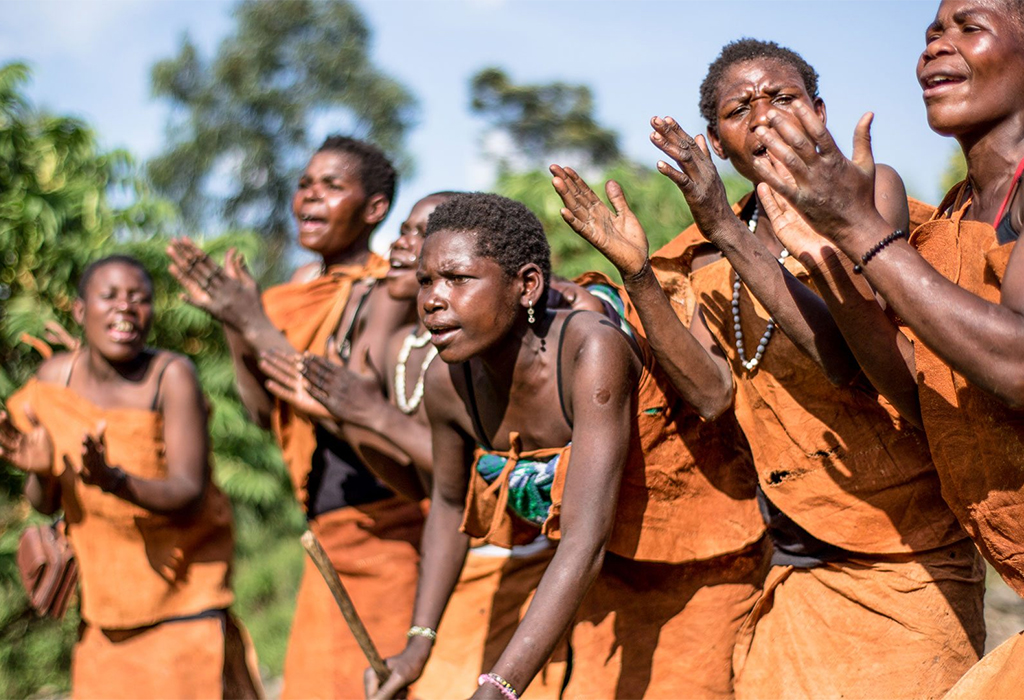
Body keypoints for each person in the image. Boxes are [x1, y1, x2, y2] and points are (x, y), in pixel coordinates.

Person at [556, 39, 984, 700]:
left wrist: (726, 229)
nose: (762, 115)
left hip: (905, 555)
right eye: (739, 109)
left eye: (781, 97)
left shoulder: (869, 194)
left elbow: (852, 360)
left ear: (818, 111)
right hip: (793, 560)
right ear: (716, 144)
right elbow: (711, 392)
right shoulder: (706, 253)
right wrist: (638, 275)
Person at [741, 2, 1024, 696]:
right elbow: (912, 390)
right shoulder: (957, 210)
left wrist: (861, 226)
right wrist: (837, 273)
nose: (935, 47)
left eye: (967, 26)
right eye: (930, 33)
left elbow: (1019, 364)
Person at [262, 192, 572, 699]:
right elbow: (437, 495)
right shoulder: (422, 360)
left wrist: (369, 413)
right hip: (459, 570)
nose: (406, 246)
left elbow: (574, 535)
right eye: (408, 237)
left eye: (452, 274)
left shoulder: (563, 350)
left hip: (542, 570)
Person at [167, 136, 423, 700]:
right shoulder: (285, 299)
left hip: (393, 529)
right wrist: (237, 324)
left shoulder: (391, 291)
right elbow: (266, 413)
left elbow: (358, 408)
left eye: (333, 186)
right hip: (326, 536)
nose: (310, 196)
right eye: (306, 183)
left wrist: (255, 324)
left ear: (374, 209)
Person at [0, 255, 262, 700]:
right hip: (104, 616)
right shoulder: (54, 382)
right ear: (81, 311)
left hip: (185, 602)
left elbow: (188, 491)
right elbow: (45, 503)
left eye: (140, 298)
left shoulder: (170, 376)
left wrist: (113, 480)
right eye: (110, 296)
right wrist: (41, 470)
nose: (126, 308)